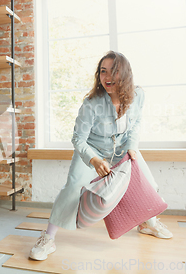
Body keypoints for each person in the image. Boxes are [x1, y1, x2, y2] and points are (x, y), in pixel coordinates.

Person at [29, 51, 173, 261]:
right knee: (72, 187)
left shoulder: (138, 95)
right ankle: (47, 238)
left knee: (146, 183)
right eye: (103, 71)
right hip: (92, 151)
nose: (107, 77)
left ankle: (148, 224)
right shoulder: (91, 104)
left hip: (123, 148)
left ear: (124, 73)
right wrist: (94, 159)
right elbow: (78, 138)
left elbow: (136, 124)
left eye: (113, 71)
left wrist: (132, 146)